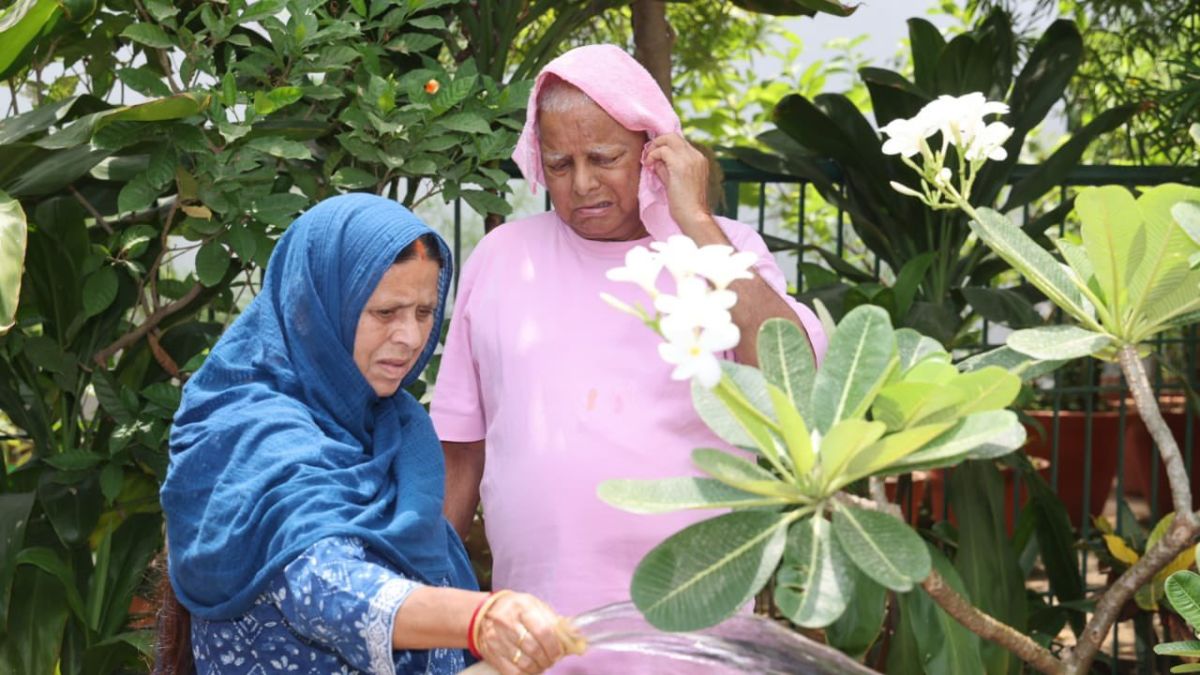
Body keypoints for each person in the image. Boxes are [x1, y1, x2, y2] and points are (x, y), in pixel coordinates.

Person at [430, 43, 829, 668]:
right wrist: (423, 609)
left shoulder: (725, 253)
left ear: (653, 151)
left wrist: (695, 220)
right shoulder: (502, 257)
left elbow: (794, 379)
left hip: (696, 634)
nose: (582, 184)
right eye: (559, 164)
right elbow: (460, 454)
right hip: (537, 637)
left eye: (604, 158)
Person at [157, 194, 578, 675]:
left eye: (423, 313)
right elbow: (323, 583)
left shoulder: (393, 431)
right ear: (318, 308)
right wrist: (480, 617)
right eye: (385, 313)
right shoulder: (251, 434)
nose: (411, 337)